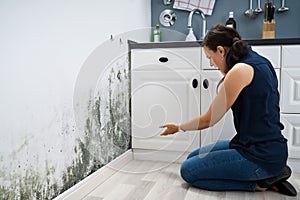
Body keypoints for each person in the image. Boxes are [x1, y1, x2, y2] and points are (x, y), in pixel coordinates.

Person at [159, 24, 297, 196]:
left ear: (221, 51)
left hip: (259, 155)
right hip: (260, 146)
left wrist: (178, 127)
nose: (211, 63)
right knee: (192, 157)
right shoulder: (260, 61)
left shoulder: (239, 71)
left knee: (188, 171)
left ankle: (260, 182)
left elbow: (208, 120)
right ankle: (271, 173)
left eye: (210, 57)